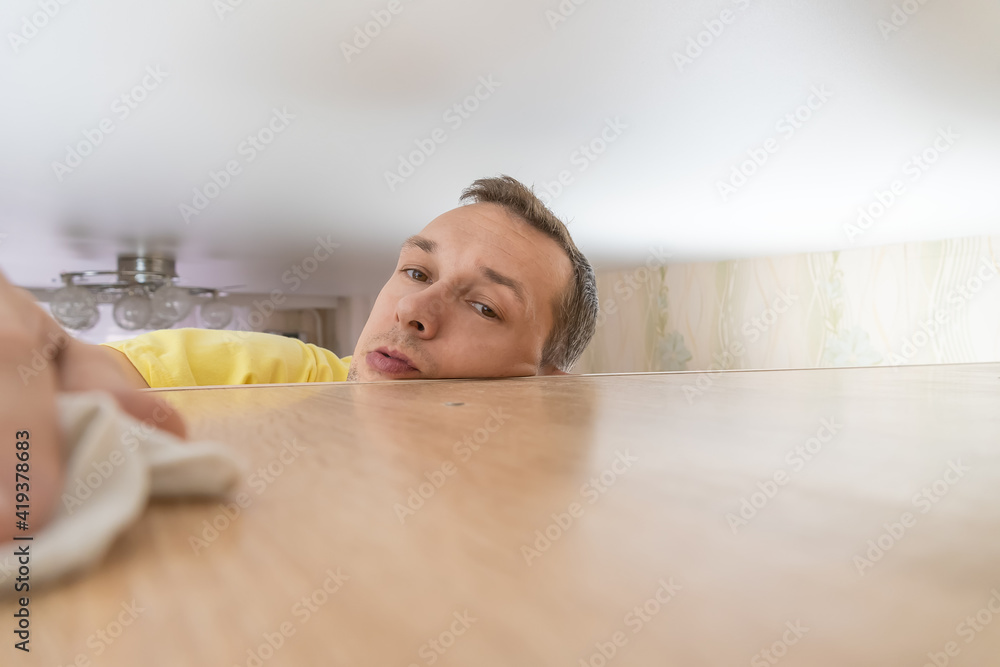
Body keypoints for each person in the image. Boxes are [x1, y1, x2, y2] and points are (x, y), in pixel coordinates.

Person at [0, 175, 598, 533]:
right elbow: (98, 373)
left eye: (485, 306)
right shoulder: (280, 371)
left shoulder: (521, 517)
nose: (415, 310)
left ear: (548, 380)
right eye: (416, 271)